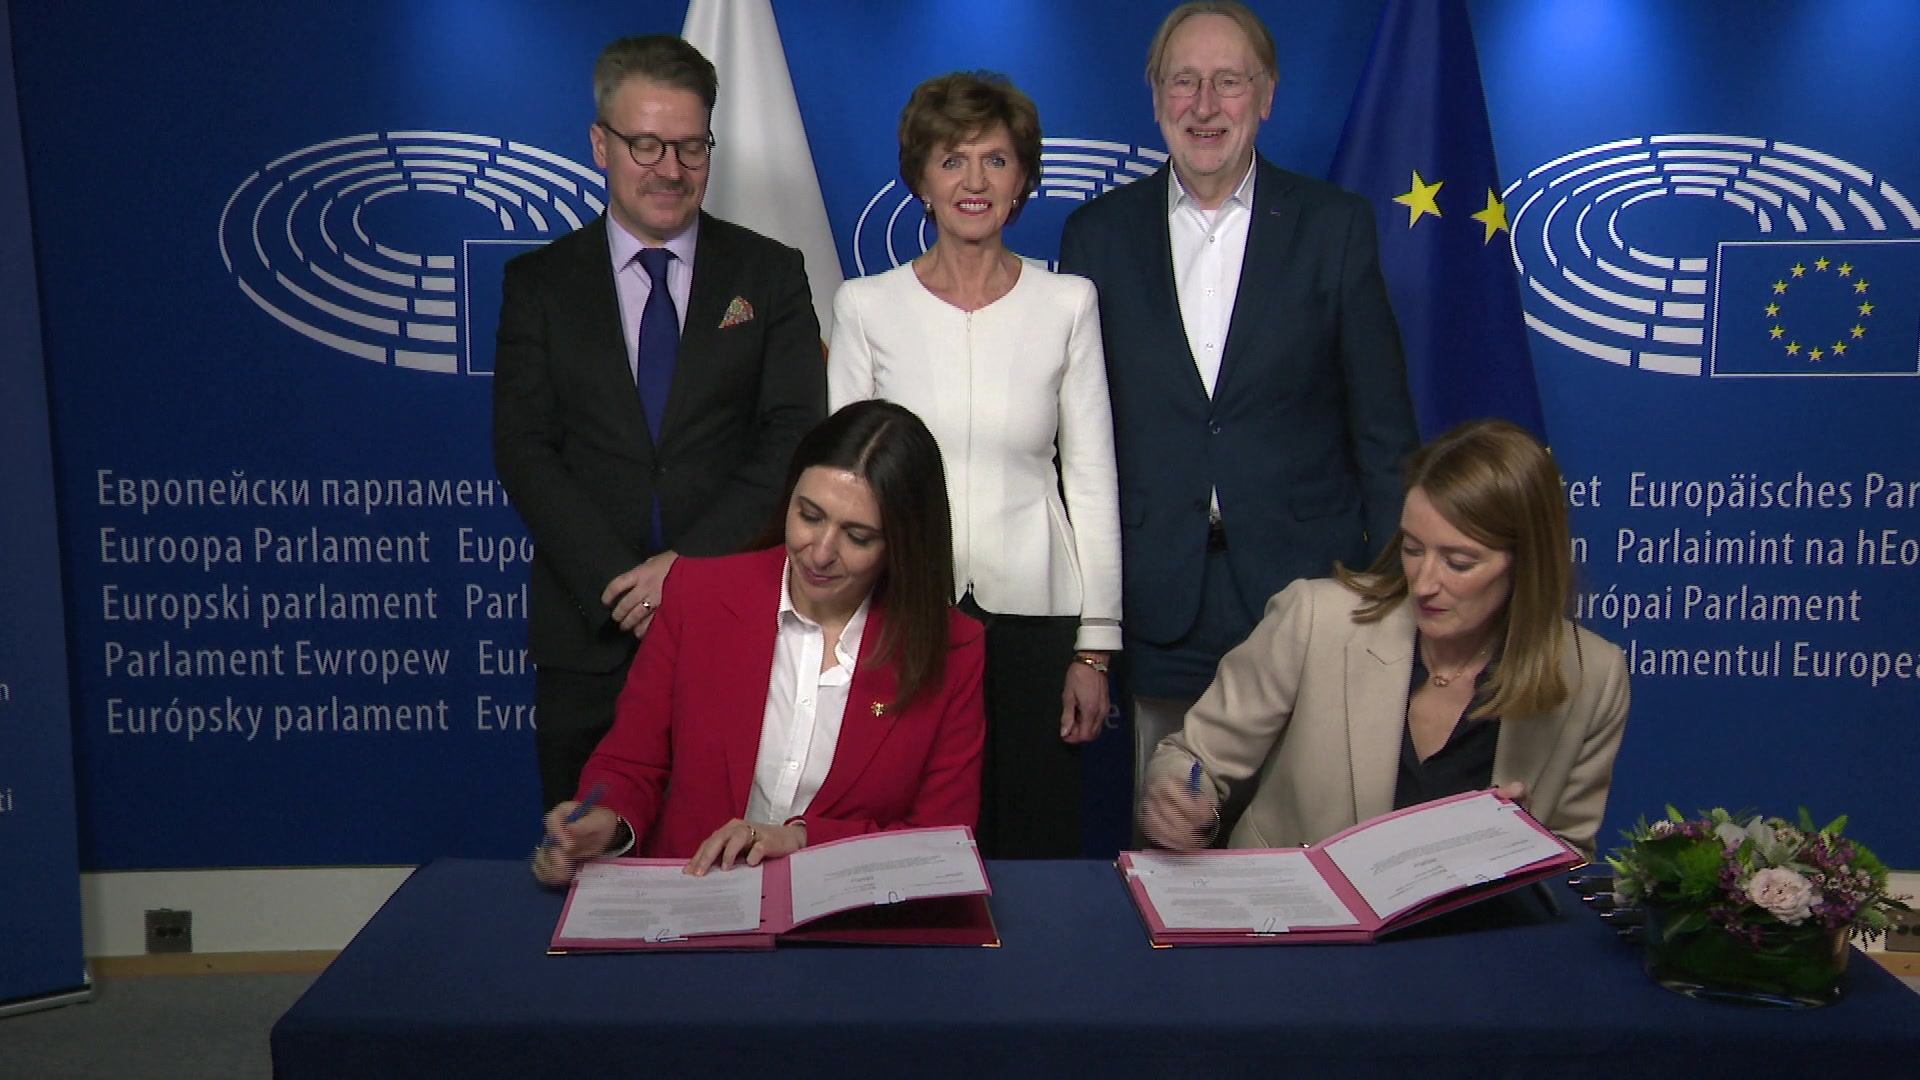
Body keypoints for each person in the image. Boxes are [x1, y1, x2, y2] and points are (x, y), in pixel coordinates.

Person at [1057, 1, 1420, 815]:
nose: (1205, 105)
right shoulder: (1097, 237)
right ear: (1155, 98)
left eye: (1228, 82)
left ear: (1267, 96)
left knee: (1313, 840)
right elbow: (1077, 439)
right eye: (1184, 82)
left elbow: (1385, 433)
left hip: (1307, 592)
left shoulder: (1336, 228)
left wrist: (1387, 594)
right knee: (1172, 833)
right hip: (1162, 600)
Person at [494, 35, 826, 810]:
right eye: (645, 145)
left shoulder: (770, 274)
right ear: (600, 145)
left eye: (690, 146)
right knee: (587, 863)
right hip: (588, 632)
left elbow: (792, 435)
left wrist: (686, 572)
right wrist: (623, 587)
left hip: (731, 626)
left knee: (730, 870)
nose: (670, 169)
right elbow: (524, 448)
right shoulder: (538, 284)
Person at [827, 72, 1121, 859]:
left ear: (1023, 179)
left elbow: (1091, 481)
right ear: (920, 177)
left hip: (1037, 620)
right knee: (907, 843)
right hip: (901, 616)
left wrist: (1095, 647)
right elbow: (842, 489)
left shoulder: (1069, 304)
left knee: (1037, 843)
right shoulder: (865, 305)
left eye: (995, 160)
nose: (974, 181)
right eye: (953, 160)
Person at [532, 400, 986, 882]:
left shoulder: (954, 647)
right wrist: (605, 825)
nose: (821, 551)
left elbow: (941, 841)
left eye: (857, 536)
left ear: (903, 543)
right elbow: (631, 763)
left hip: (850, 926)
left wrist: (803, 839)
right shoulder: (698, 594)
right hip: (696, 905)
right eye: (809, 515)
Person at [1138, 419, 1630, 861]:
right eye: (1413, 549)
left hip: (1470, 944)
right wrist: (1180, 799)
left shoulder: (1593, 676)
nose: (1426, 581)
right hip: (1299, 933)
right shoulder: (1317, 619)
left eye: (1459, 563)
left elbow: (1570, 860)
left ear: (1526, 565)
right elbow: (1192, 757)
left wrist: (1521, 849)